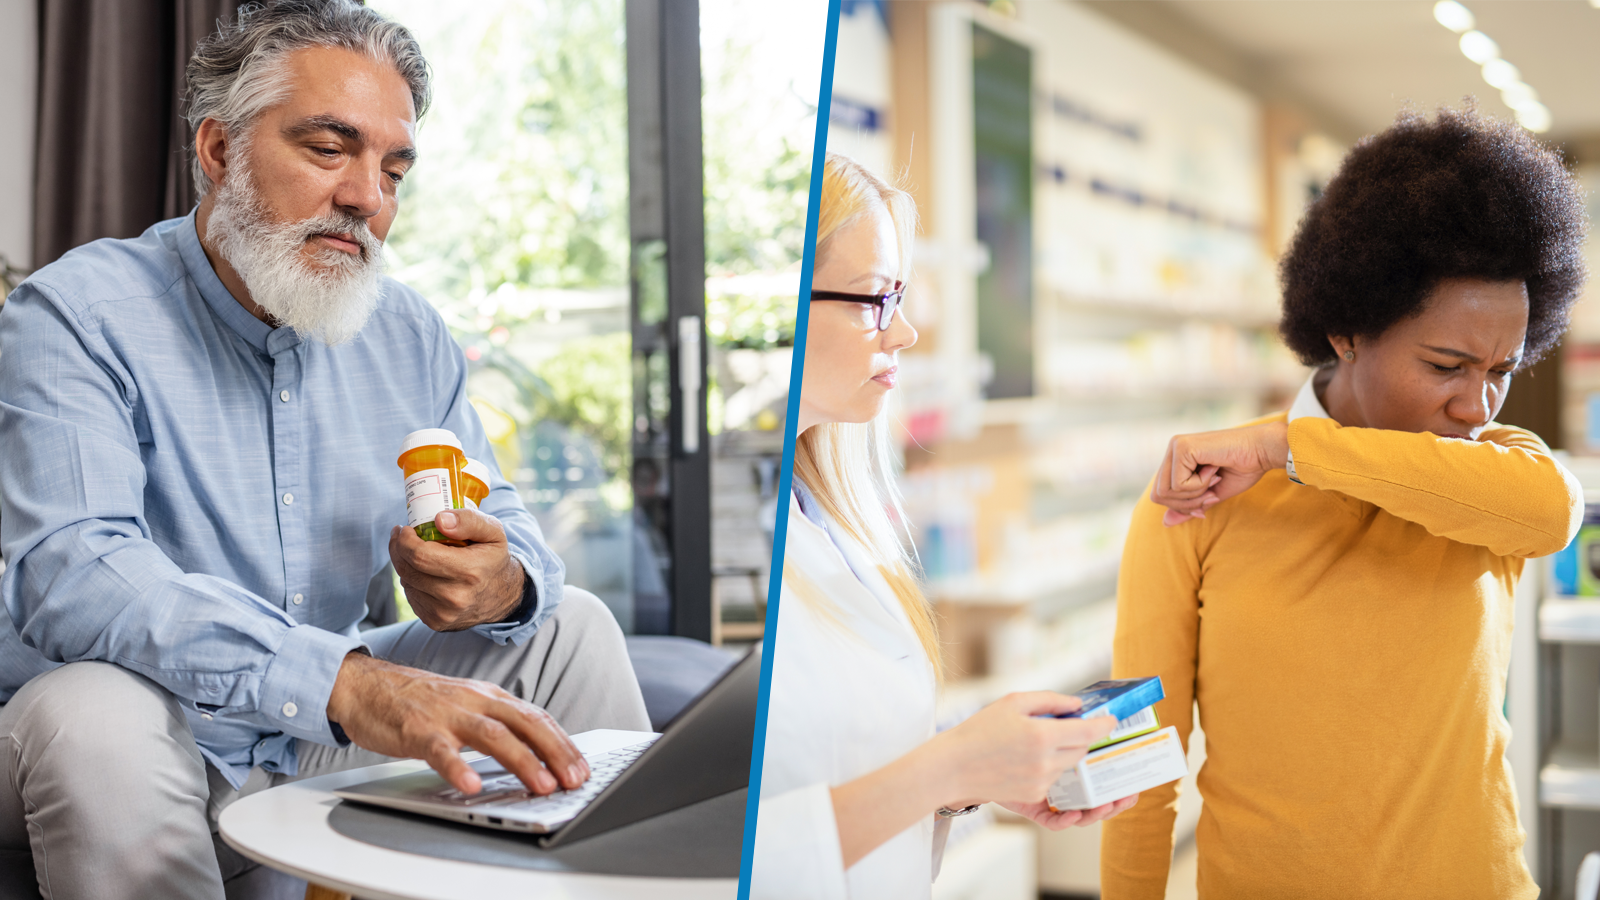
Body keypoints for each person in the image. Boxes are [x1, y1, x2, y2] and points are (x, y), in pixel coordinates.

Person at [0, 3, 649, 898]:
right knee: (97, 709)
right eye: (329, 149)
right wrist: (345, 680)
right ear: (219, 150)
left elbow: (506, 522)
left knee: (571, 625)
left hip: (304, 728)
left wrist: (501, 581)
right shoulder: (77, 314)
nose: (367, 198)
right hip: (115, 735)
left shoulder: (407, 334)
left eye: (394, 168)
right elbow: (71, 573)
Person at [1100, 106, 1586, 899]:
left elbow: (1553, 514)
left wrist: (1287, 450)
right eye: (1446, 365)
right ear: (1346, 328)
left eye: (1502, 369)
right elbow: (1144, 760)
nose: (1478, 405)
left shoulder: (1496, 477)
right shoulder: (1198, 503)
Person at [748, 153, 1136, 900]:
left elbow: (845, 762)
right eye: (874, 300)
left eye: (900, 298)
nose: (905, 333)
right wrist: (951, 765)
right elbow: (748, 852)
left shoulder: (827, 516)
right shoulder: (735, 546)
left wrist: (972, 772)